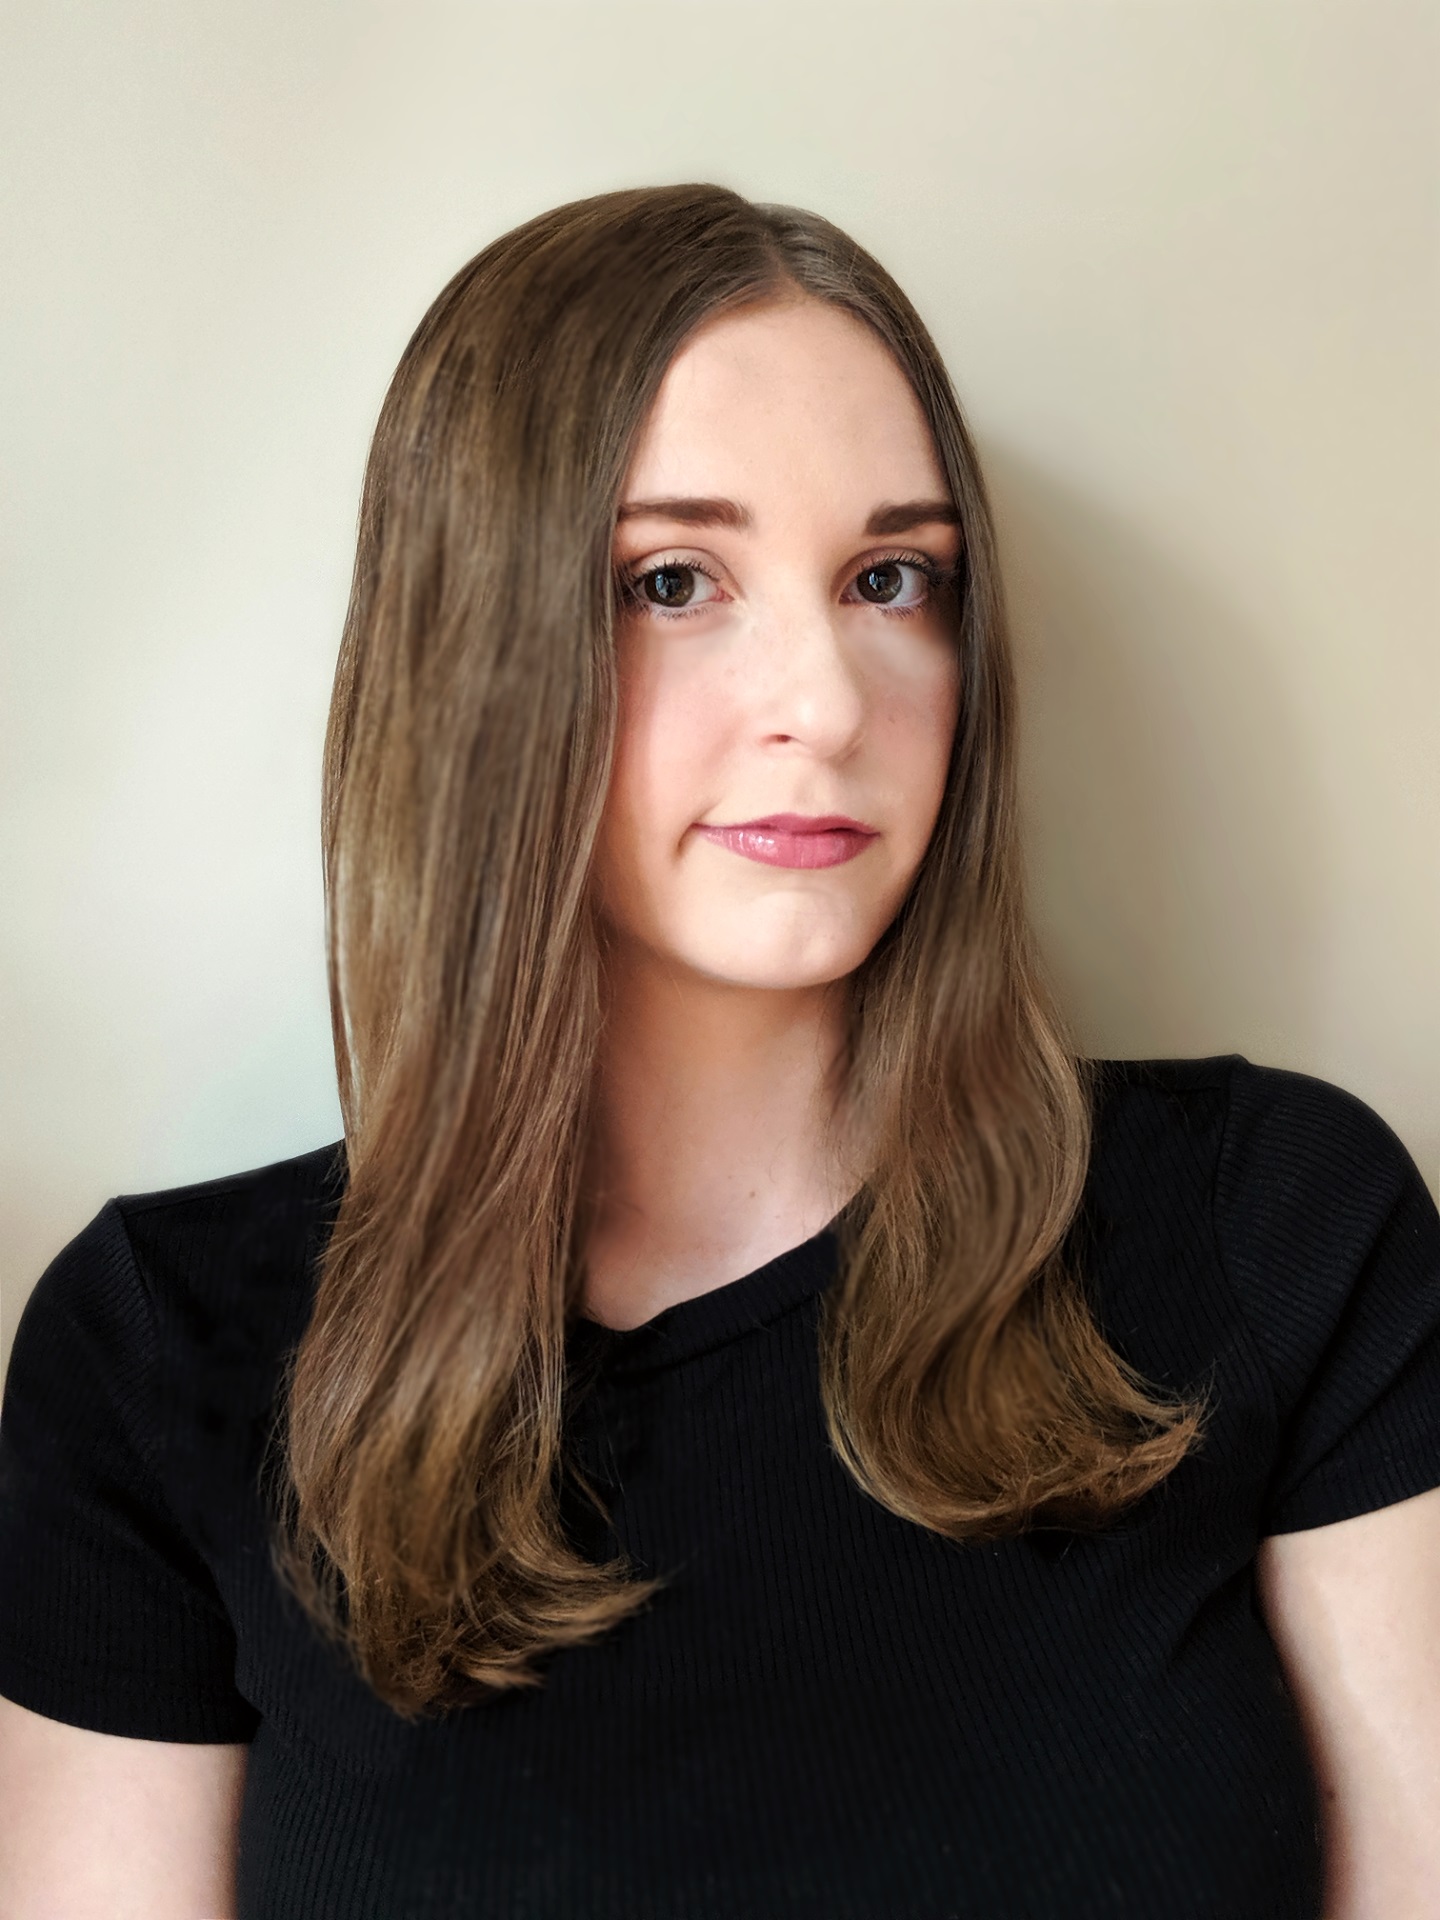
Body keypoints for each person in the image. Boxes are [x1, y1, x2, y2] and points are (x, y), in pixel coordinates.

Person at [0, 183, 1436, 1920]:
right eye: (673, 581)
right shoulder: (155, 1357)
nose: (825, 702)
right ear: (475, 654)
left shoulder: (1279, 1229)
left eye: (891, 580)